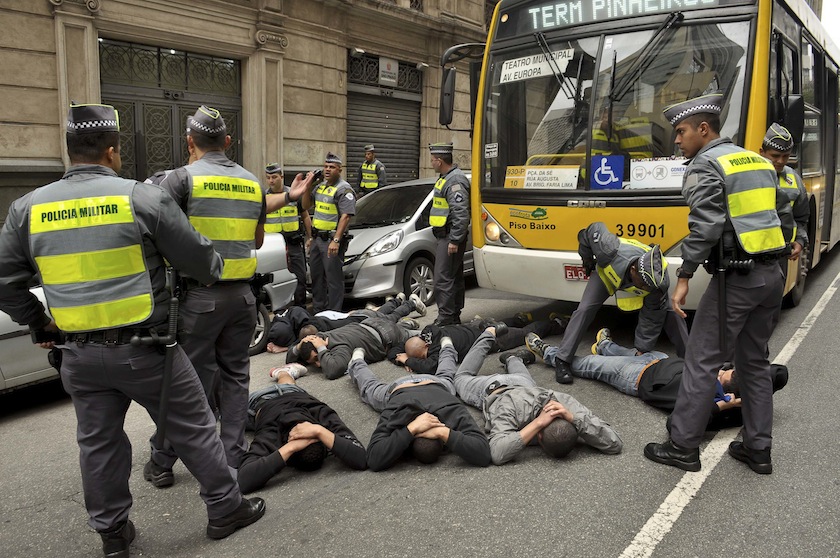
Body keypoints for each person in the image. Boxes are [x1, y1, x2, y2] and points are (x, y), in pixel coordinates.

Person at [0, 103, 265, 557]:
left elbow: (6, 284)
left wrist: (39, 321)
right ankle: (225, 508)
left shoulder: (27, 208)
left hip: (78, 357)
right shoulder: (140, 197)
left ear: (70, 150)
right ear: (111, 150)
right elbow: (201, 260)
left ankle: (114, 534)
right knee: (195, 423)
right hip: (146, 349)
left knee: (98, 444)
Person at [644, 93, 793, 475]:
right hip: (772, 276)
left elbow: (706, 226)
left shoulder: (705, 165)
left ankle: (682, 446)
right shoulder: (757, 161)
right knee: (755, 363)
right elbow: (784, 213)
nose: (677, 140)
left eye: (680, 132)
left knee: (701, 360)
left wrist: (683, 276)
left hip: (737, 280)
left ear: (703, 129)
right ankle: (758, 449)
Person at [147, 105, 265, 479]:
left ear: (189, 142)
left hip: (199, 299)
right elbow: (257, 240)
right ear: (227, 142)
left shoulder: (181, 179)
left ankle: (163, 462)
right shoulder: (252, 182)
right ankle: (232, 453)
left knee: (188, 385)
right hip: (244, 298)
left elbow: (157, 237)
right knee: (236, 378)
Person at [527, 329, 788, 430]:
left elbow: (677, 423)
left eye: (724, 375)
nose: (721, 371)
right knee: (620, 351)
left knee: (587, 364)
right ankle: (606, 344)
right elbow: (778, 374)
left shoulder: (713, 406)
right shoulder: (740, 389)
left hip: (636, 376)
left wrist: (721, 406)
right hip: (661, 359)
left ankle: (548, 353)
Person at [452, 328, 622, 465]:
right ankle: (489, 334)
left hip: (518, 385)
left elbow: (497, 453)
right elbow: (613, 443)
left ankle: (511, 357)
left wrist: (546, 420)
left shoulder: (563, 404)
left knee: (523, 378)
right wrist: (561, 419)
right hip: (497, 387)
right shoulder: (556, 406)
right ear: (540, 438)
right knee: (460, 378)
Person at [549, 221, 689, 384]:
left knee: (671, 311)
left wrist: (642, 350)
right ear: (633, 270)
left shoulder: (657, 284)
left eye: (648, 285)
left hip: (631, 284)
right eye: (643, 284)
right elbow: (587, 231)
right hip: (606, 277)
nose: (645, 288)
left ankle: (689, 360)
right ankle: (562, 360)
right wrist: (586, 258)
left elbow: (651, 318)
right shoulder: (608, 249)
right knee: (585, 309)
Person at [347, 340, 492, 471]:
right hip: (400, 388)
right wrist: (411, 429)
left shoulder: (450, 413)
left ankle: (447, 346)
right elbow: (374, 458)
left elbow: (373, 458)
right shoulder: (399, 415)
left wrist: (440, 432)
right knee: (371, 388)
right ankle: (357, 361)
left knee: (446, 374)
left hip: (433, 383)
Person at [237, 364, 367, 493]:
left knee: (226, 410)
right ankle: (283, 373)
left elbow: (243, 480)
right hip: (285, 394)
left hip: (262, 400)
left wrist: (297, 444)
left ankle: (283, 373)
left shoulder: (272, 432)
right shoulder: (320, 417)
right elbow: (362, 458)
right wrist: (318, 432)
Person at [391, 315, 568, 374]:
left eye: (422, 356)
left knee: (524, 334)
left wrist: (408, 361)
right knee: (504, 324)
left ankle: (557, 323)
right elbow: (396, 349)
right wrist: (403, 357)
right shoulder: (428, 332)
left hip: (490, 338)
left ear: (427, 347)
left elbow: (431, 367)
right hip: (475, 327)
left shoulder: (438, 349)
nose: (425, 358)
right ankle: (520, 317)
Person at [267, 293, 426, 350]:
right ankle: (398, 301)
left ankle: (410, 303)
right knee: (381, 314)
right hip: (356, 316)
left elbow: (306, 342)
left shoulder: (316, 329)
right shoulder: (299, 318)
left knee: (389, 319)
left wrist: (285, 348)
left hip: (361, 321)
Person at [286, 314, 420, 380]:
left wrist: (322, 349)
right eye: (313, 363)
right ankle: (406, 324)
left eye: (317, 358)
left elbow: (333, 371)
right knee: (398, 325)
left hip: (387, 335)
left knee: (420, 338)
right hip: (369, 323)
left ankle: (408, 327)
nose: (319, 364)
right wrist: (298, 346)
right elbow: (289, 359)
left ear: (320, 344)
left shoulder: (337, 347)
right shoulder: (319, 336)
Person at [306, 152, 356, 312]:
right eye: (326, 166)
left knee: (333, 280)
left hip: (330, 241)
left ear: (339, 170)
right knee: (316, 278)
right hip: (317, 239)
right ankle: (319, 311)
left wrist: (336, 240)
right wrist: (308, 185)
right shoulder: (320, 187)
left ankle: (334, 313)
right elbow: (306, 205)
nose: (328, 169)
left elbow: (346, 216)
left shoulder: (344, 189)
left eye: (332, 167)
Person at [428, 142, 470, 326]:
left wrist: (454, 239)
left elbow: (461, 213)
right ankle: (453, 316)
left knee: (443, 278)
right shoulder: (446, 177)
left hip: (450, 237)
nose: (431, 162)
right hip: (445, 236)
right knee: (452, 277)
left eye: (432, 159)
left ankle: (446, 317)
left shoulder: (455, 181)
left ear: (439, 160)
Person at [264, 162, 311, 306]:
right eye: (268, 177)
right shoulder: (264, 198)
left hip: (294, 243)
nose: (271, 180)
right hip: (273, 247)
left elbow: (305, 216)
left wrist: (310, 237)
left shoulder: (292, 194)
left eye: (274, 177)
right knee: (277, 280)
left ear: (281, 177)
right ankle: (281, 311)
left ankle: (300, 309)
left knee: (300, 278)